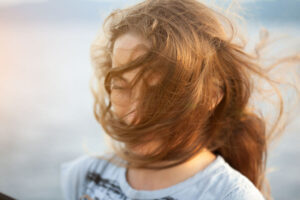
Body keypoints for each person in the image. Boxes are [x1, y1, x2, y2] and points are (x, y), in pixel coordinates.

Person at [60, 0, 300, 200]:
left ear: (212, 96)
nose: (135, 116)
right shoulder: (85, 176)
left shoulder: (231, 195)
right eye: (120, 87)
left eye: (159, 95)